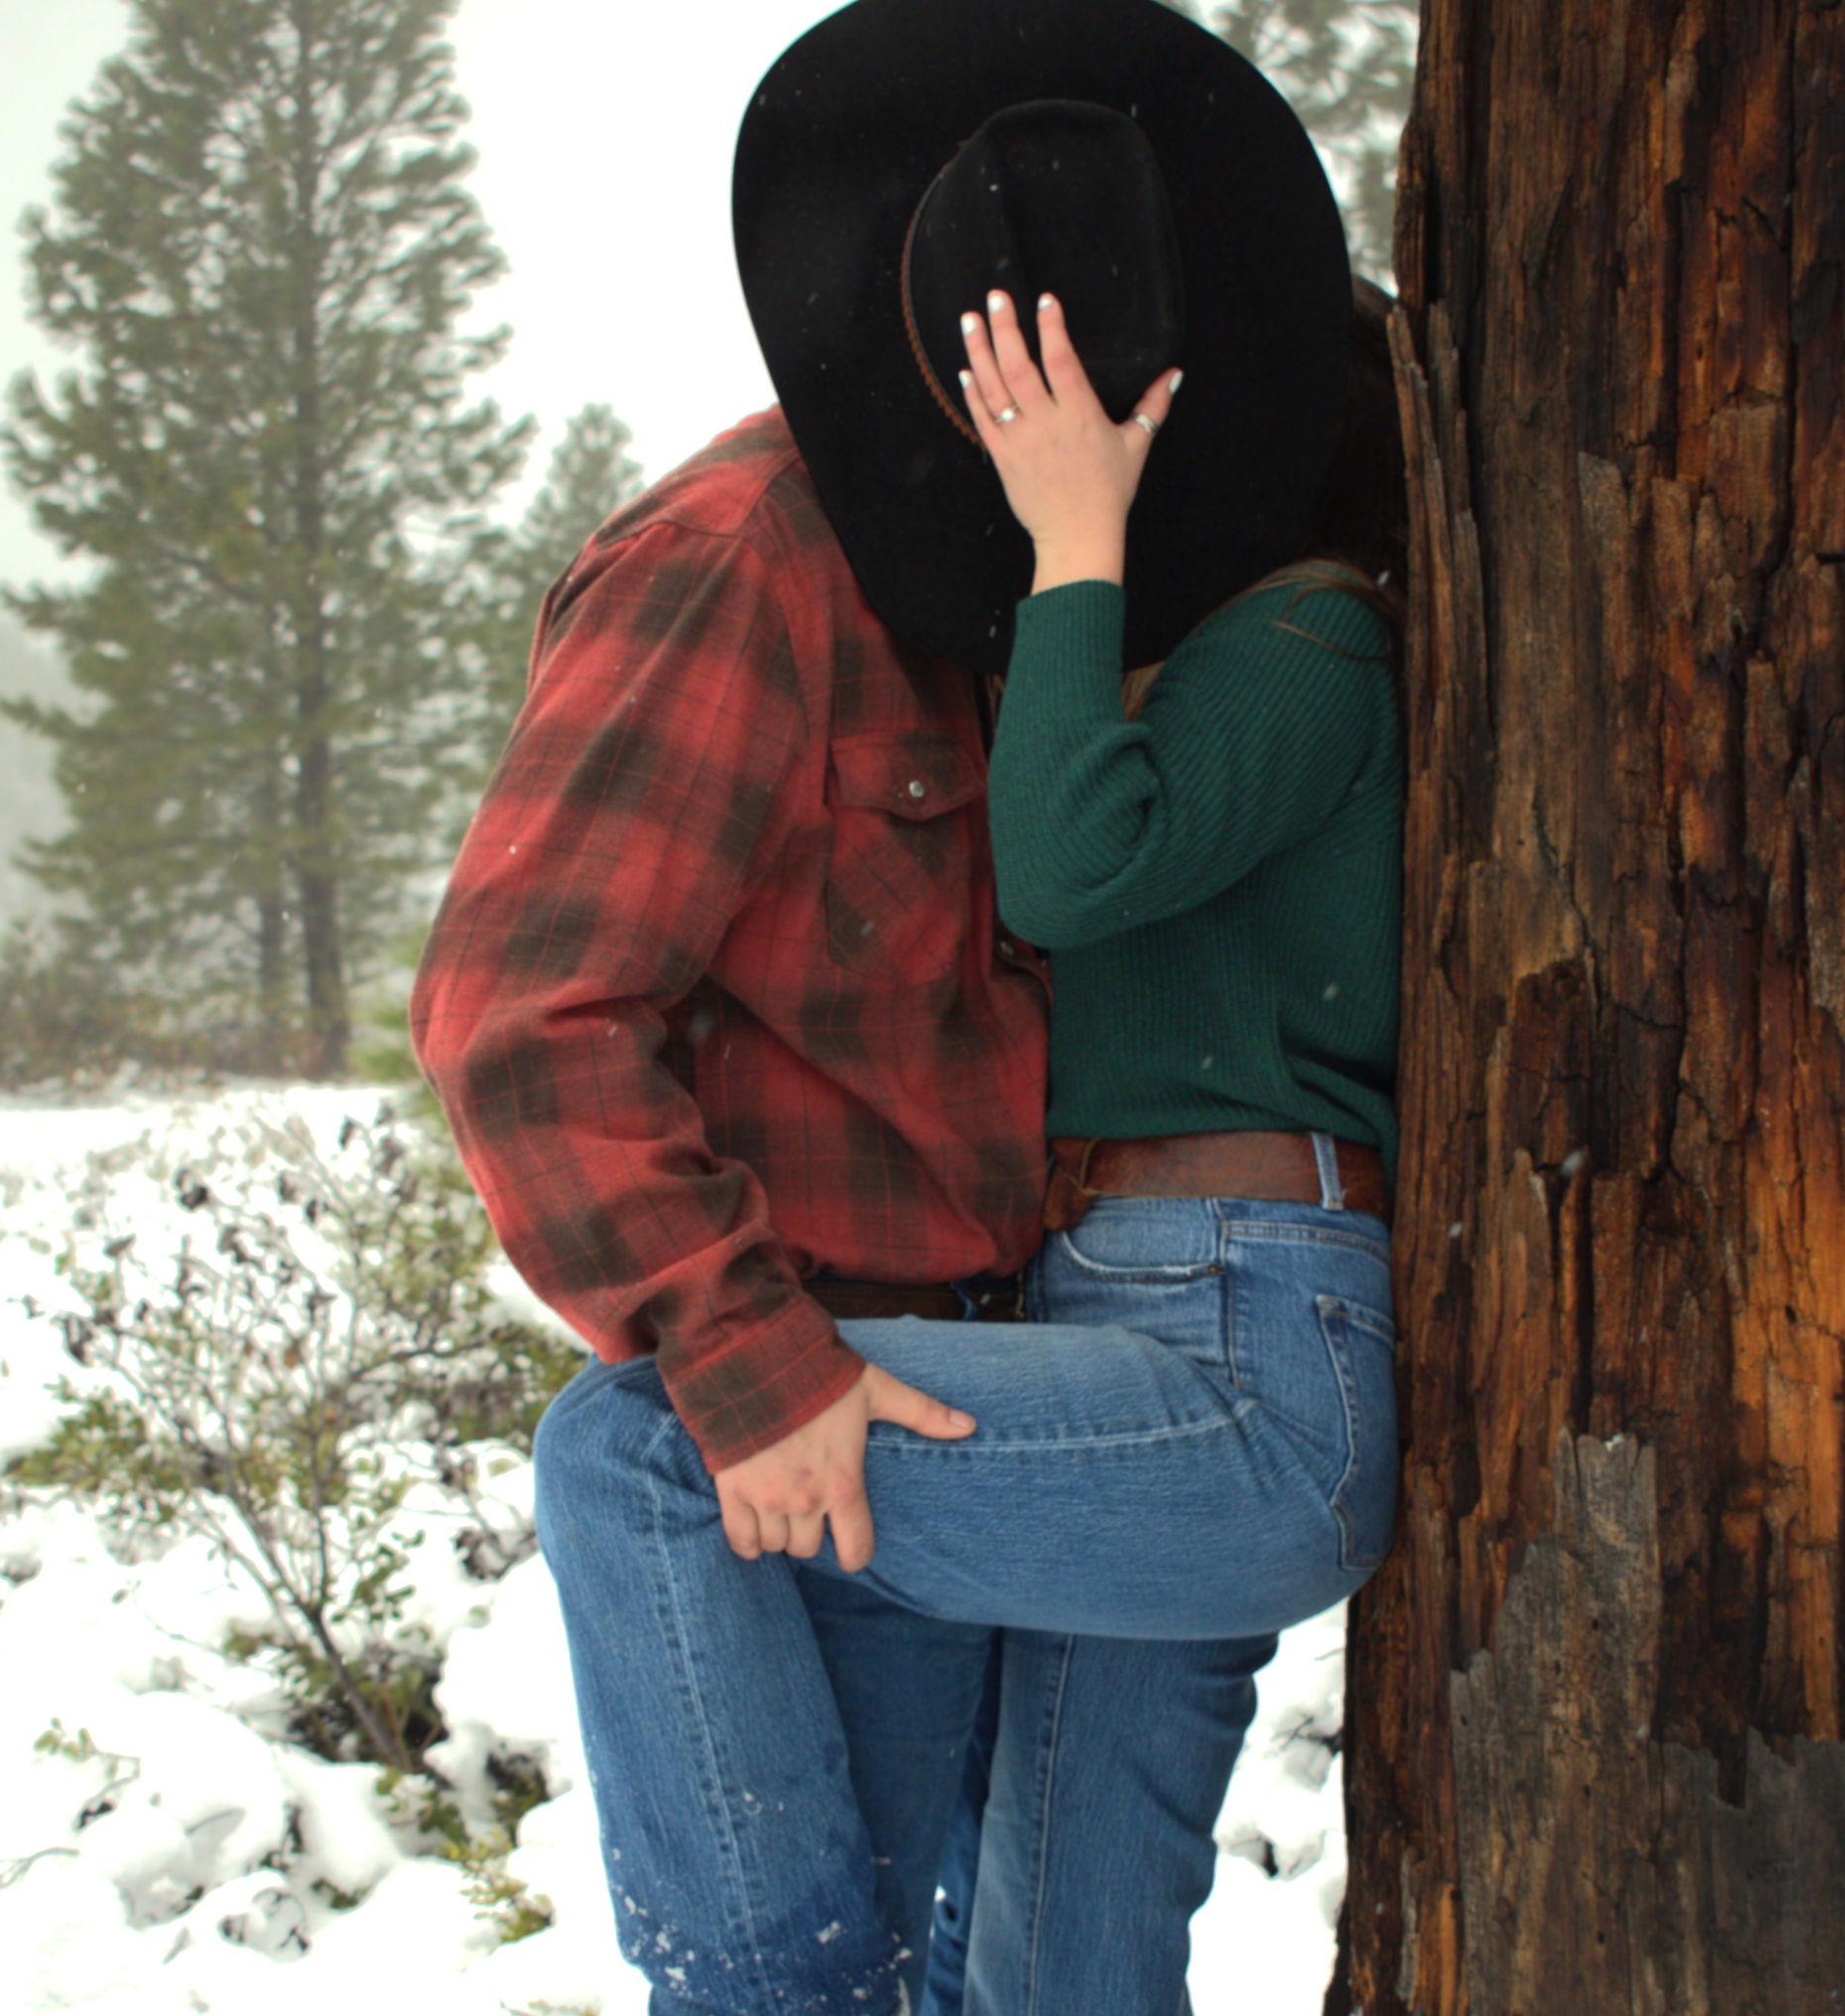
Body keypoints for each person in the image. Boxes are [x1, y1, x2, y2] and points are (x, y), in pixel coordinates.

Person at [407, 2, 1402, 2010]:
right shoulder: (741, 561)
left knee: (1004, 1970)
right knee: (804, 1918)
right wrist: (746, 1354)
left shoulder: (1063, 606)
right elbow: (523, 1010)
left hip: (1022, 1377)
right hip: (815, 1414)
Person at [919, 269, 1409, 2012]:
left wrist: (1076, 538)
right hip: (1139, 1288)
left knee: (660, 1443)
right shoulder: (1203, 665)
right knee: (1057, 1949)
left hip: (1242, 1310)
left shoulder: (1317, 637)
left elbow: (1068, 872)